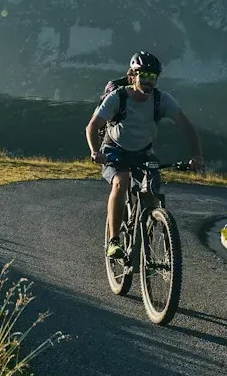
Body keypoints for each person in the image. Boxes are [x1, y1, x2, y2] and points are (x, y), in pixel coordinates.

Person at [86, 51, 204, 260]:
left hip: (143, 152)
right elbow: (92, 126)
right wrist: (95, 152)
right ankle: (114, 241)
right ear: (133, 75)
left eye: (153, 77)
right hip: (114, 149)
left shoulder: (161, 99)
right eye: (144, 75)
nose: (149, 81)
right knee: (120, 182)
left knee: (150, 191)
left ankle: (145, 240)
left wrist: (196, 155)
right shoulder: (118, 97)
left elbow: (187, 127)